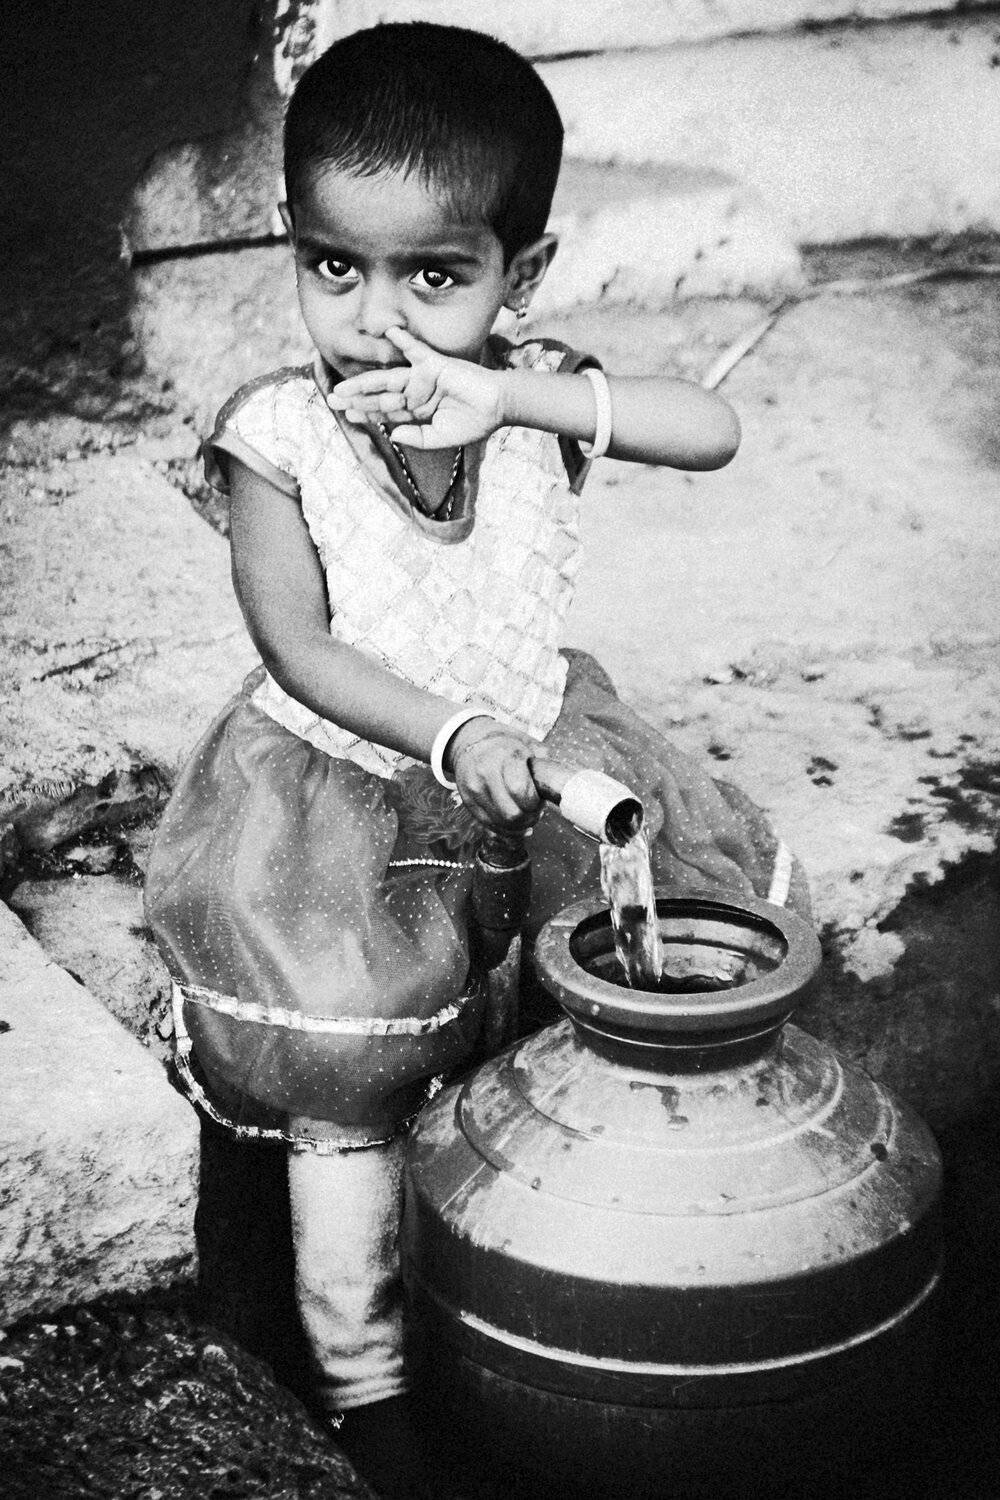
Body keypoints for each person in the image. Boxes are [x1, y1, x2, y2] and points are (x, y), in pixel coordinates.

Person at [145, 19, 810, 1494]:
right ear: (294, 244)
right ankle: (364, 1380)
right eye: (334, 267)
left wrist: (513, 396)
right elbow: (298, 647)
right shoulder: (277, 437)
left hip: (538, 756)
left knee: (569, 1003)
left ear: (526, 273)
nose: (375, 319)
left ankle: (537, 1294)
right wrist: (454, 735)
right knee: (355, 1074)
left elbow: (712, 429)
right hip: (345, 794)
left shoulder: (529, 395)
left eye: (434, 277)